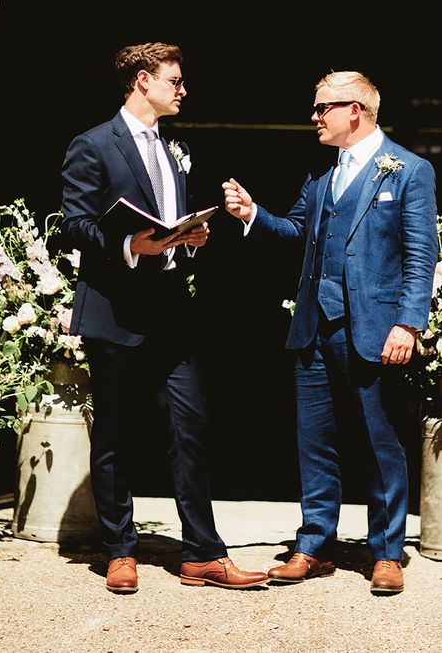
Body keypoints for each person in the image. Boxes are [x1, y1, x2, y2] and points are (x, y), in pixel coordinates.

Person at [61, 42, 268, 593]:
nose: (183, 90)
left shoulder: (177, 147)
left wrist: (190, 237)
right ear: (142, 80)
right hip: (115, 311)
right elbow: (75, 224)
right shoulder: (93, 144)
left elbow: (171, 219)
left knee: (191, 427)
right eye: (174, 80)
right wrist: (132, 243)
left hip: (173, 312)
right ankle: (120, 550)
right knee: (116, 435)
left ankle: (203, 552)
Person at [223, 70, 438, 594]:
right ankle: (314, 544)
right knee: (314, 441)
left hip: (373, 328)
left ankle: (386, 552)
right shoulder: (322, 177)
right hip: (315, 327)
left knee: (379, 439)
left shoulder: (408, 170)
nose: (314, 117)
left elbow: (421, 253)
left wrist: (408, 323)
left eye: (322, 108)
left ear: (355, 111)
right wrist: (253, 214)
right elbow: (298, 231)